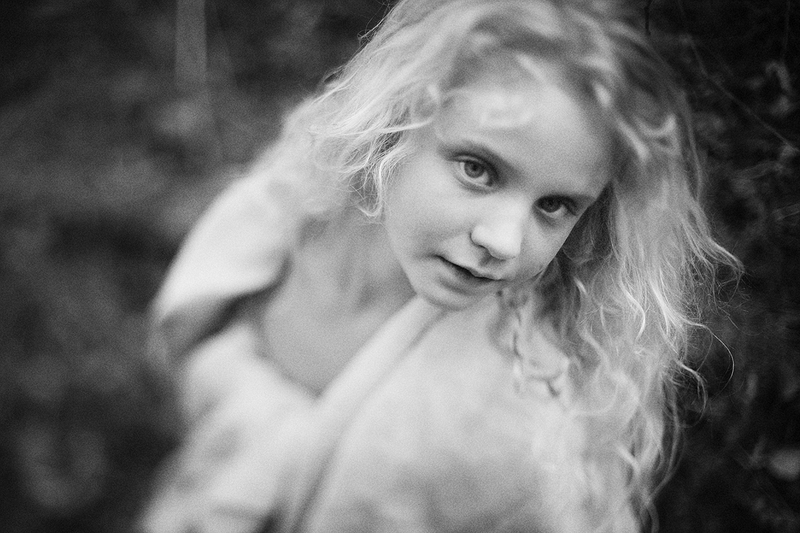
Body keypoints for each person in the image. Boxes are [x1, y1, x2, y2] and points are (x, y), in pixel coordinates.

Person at [140, 0, 740, 532]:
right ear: (396, 127)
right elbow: (190, 342)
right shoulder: (296, 212)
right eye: (478, 169)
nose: (505, 241)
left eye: (555, 205)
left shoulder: (524, 415)